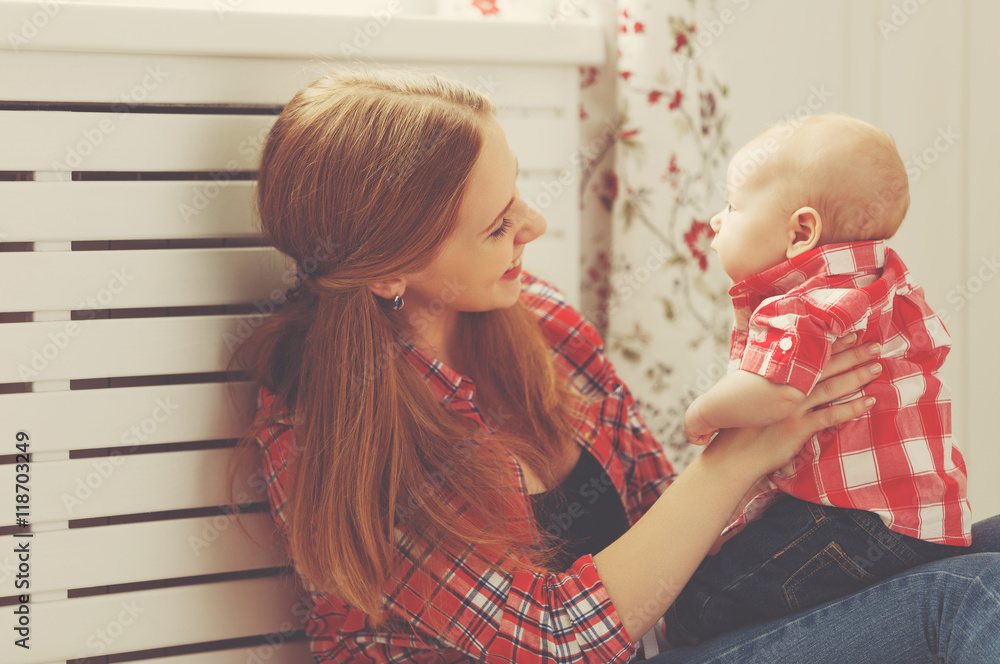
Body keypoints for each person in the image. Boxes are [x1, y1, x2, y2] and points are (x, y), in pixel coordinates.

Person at [229, 69, 1000, 662]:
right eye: (499, 226)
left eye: (518, 196)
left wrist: (815, 456)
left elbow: (657, 515)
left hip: (672, 640)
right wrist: (738, 457)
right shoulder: (326, 435)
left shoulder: (537, 321)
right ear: (390, 270)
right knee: (971, 596)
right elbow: (556, 642)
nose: (533, 224)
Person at [663, 115, 971, 647]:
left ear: (801, 232)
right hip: (927, 517)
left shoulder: (803, 304)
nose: (717, 220)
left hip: (850, 520)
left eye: (734, 206)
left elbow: (776, 391)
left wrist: (702, 412)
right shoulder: (881, 280)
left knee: (701, 602)